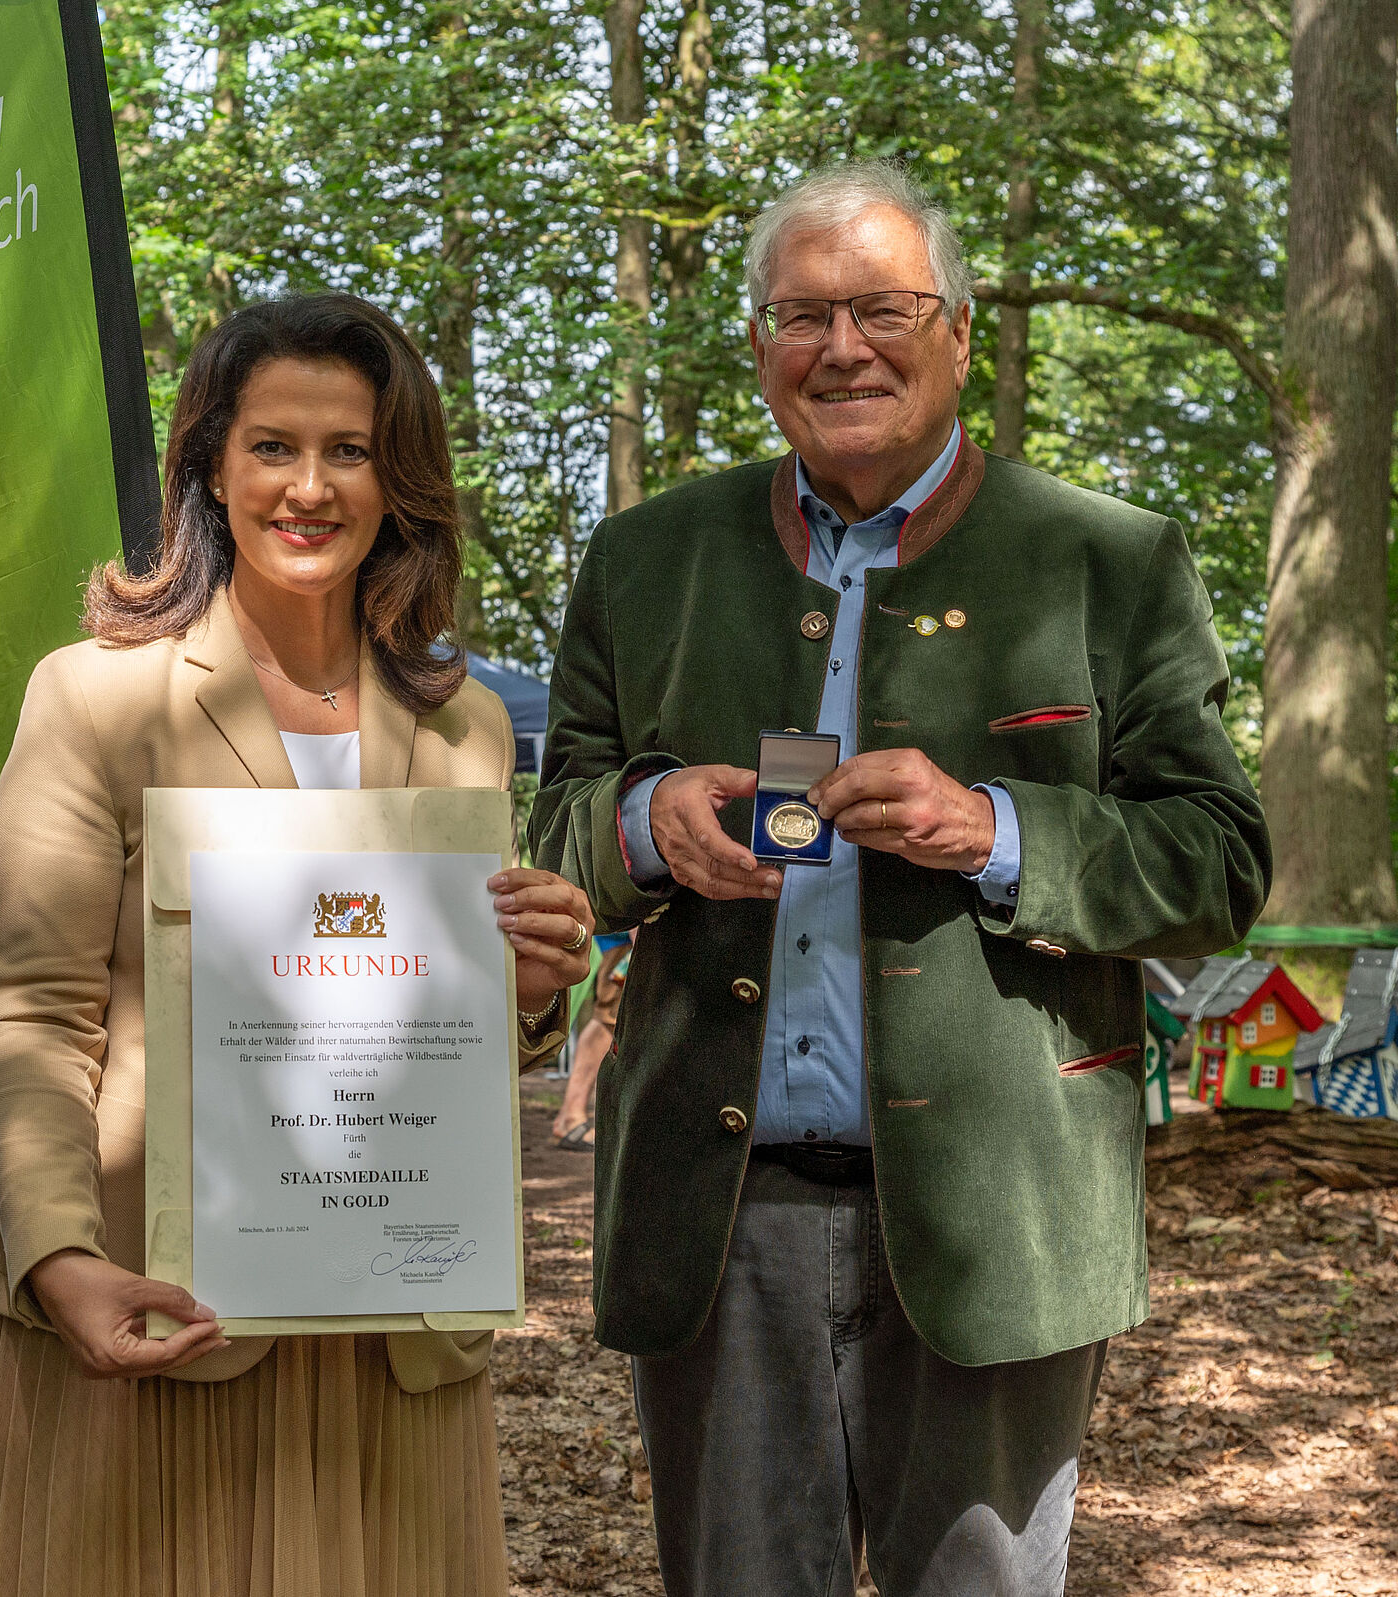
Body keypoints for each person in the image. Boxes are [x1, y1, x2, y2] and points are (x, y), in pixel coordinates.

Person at [532, 161, 1269, 1597]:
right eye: (802, 315)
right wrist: (641, 822)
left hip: (1003, 1221)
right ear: (758, 348)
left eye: (882, 307)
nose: (842, 346)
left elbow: (1220, 859)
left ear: (958, 333)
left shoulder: (1106, 562)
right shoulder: (645, 560)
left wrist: (994, 831)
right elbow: (547, 818)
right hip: (718, 1213)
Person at [0, 294, 594, 1597]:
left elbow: (441, 1029)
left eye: (349, 450)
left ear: (398, 480)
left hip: (386, 1346)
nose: (310, 485)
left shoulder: (461, 725)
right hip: (148, 1318)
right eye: (273, 447)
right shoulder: (97, 696)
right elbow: (29, 1016)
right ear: (210, 468)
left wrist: (525, 988)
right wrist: (65, 1263)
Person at [550, 931, 630, 1150]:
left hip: (624, 941)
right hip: (628, 942)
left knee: (608, 1021)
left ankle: (570, 1115)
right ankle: (571, 1116)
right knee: (608, 1021)